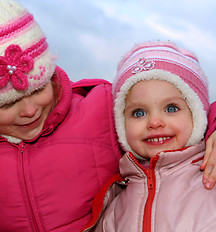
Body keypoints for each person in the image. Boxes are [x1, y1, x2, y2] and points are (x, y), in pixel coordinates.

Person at [0, 0, 216, 231]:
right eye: (5, 104)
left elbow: (163, 95)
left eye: (38, 89)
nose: (28, 110)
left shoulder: (99, 108)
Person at [82, 41, 216, 232]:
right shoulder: (114, 205)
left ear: (197, 115)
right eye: (138, 113)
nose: (154, 122)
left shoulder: (211, 177)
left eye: (171, 108)